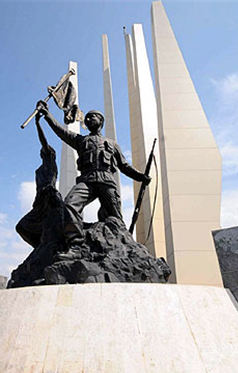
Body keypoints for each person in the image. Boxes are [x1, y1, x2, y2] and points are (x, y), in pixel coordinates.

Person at [36, 100, 150, 260]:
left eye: (92, 117)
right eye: (87, 118)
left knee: (115, 217)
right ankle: (75, 246)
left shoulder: (112, 144)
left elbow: (124, 166)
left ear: (101, 121)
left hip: (107, 182)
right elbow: (60, 131)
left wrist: (140, 177)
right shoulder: (80, 140)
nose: (88, 119)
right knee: (69, 205)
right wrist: (47, 115)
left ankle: (125, 251)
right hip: (87, 181)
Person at [15, 111, 63, 248]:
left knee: (57, 226)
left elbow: (43, 141)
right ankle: (41, 249)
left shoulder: (50, 164)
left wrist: (37, 124)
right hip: (39, 200)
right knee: (22, 227)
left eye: (46, 150)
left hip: (50, 197)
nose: (43, 151)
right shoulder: (41, 168)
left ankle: (47, 247)